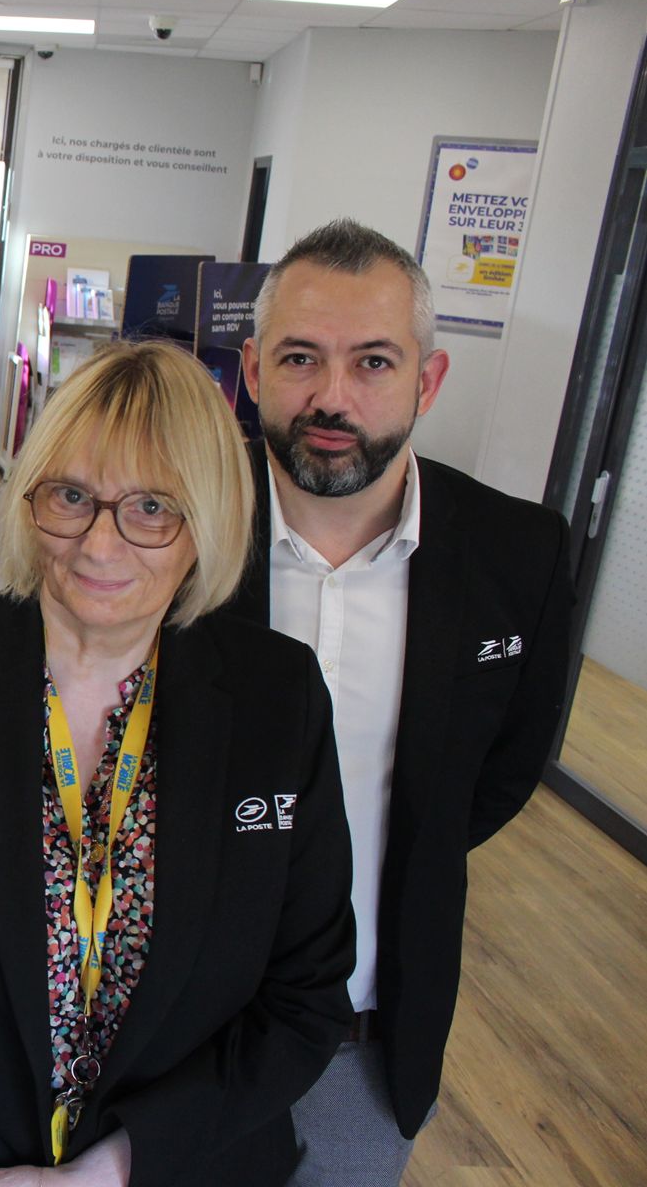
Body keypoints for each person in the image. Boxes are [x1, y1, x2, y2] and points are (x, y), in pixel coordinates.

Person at [0, 341, 356, 1187]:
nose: (99, 546)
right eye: (72, 496)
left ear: (209, 520)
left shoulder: (275, 699)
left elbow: (305, 993)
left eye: (152, 508)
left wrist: (108, 1171)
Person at [233, 218, 574, 1186]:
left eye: (373, 363)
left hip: (366, 1044)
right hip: (173, 1030)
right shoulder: (173, 530)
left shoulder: (517, 560)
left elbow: (494, 776)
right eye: (300, 358)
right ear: (253, 371)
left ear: (427, 382)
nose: (331, 397)